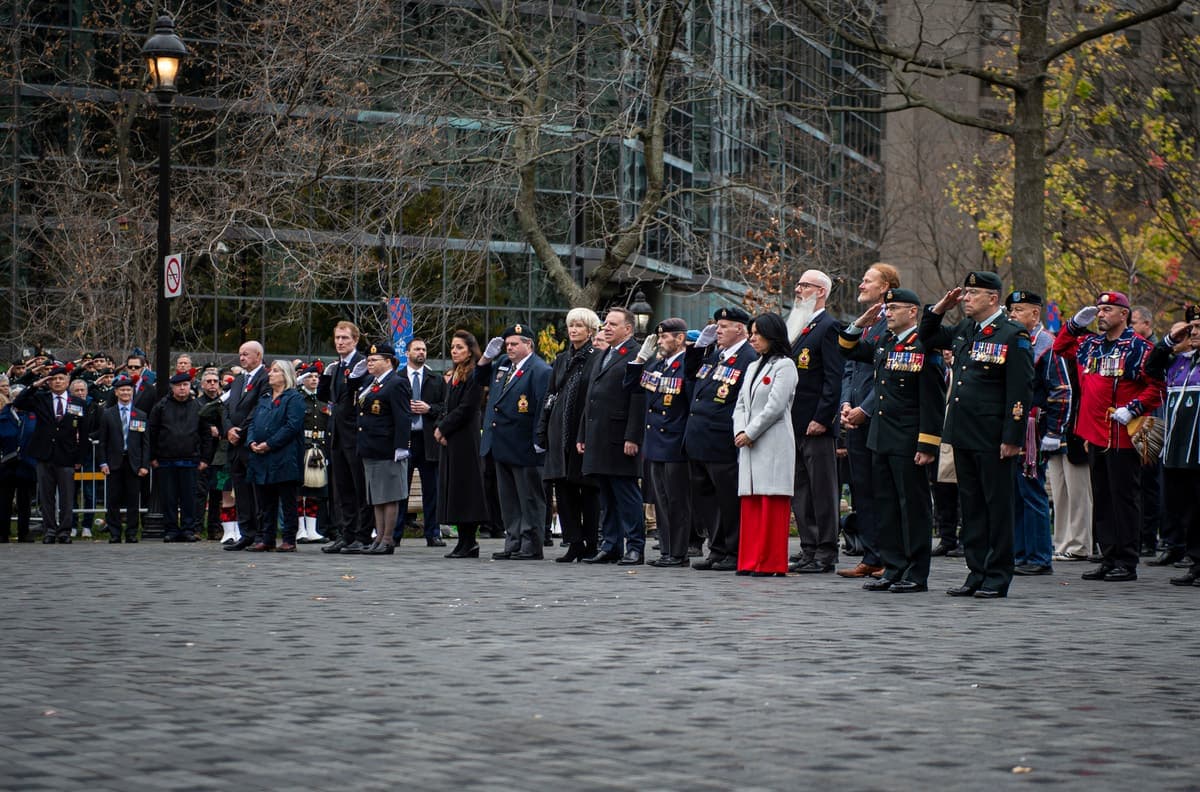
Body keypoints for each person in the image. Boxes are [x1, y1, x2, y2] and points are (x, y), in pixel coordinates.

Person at [919, 271, 1034, 598]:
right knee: (971, 508)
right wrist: (939, 307)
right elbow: (927, 337)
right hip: (963, 434)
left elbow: (1020, 391)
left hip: (994, 437)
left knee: (996, 508)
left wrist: (1012, 436)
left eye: (972, 293)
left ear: (992, 298)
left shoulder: (1013, 335)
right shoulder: (967, 329)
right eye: (965, 293)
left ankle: (997, 576)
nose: (965, 298)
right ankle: (976, 572)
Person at [1054, 291, 1164, 582]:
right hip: (1094, 433)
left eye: (1107, 310)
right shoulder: (1089, 344)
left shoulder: (1138, 347)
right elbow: (1060, 346)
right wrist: (1075, 324)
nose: (1101, 314)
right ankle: (1108, 555)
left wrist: (1134, 408)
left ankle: (1126, 560)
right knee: (1101, 497)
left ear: (1123, 314)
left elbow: (1156, 387)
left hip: (1124, 433)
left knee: (1124, 498)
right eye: (1099, 310)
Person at [841, 289, 946, 592]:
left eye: (895, 308)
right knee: (885, 507)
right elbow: (848, 349)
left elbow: (932, 399)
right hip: (881, 437)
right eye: (886, 308)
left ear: (913, 312)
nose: (888, 313)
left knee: (912, 508)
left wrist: (927, 444)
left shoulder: (924, 345)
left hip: (909, 439)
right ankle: (894, 567)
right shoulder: (885, 341)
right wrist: (859, 323)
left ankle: (915, 572)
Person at [837, 263, 899, 577]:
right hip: (856, 418)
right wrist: (846, 405)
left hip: (878, 418)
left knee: (881, 490)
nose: (861, 285)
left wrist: (866, 409)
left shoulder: (891, 321)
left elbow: (888, 374)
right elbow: (850, 369)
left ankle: (888, 556)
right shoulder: (865, 323)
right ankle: (872, 555)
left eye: (867, 280)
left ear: (886, 286)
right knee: (862, 489)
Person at [686, 306, 759, 571]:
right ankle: (717, 549)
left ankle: (733, 550)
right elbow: (692, 379)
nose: (718, 330)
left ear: (740, 328)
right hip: (700, 437)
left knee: (727, 499)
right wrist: (697, 349)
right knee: (707, 499)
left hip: (722, 438)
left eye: (724, 326)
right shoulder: (716, 355)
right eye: (717, 326)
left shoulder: (748, 357)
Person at [1006, 291, 1070, 576]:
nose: (1013, 315)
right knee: (1016, 492)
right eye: (1011, 310)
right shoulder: (1016, 341)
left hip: (1036, 426)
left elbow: (1061, 390)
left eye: (1019, 310)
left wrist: (1055, 431)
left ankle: (1040, 556)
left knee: (1032, 490)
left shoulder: (1047, 345)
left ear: (1035, 314)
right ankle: (1021, 553)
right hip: (1016, 425)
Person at [785, 269, 844, 574]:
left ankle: (825, 550)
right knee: (801, 489)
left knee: (822, 489)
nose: (798, 290)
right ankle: (808, 548)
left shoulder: (829, 327)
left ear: (821, 292)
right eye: (798, 284)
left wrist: (823, 417)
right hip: (793, 422)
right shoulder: (796, 326)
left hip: (815, 424)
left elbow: (833, 380)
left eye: (805, 286)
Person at [578, 308, 647, 565]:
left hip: (621, 437)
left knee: (626, 493)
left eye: (612, 324)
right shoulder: (603, 354)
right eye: (605, 323)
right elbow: (591, 397)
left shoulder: (637, 354)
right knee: (606, 494)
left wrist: (633, 437)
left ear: (627, 329)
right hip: (599, 435)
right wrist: (583, 433)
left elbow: (639, 398)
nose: (606, 328)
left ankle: (635, 547)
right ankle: (611, 544)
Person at [732, 313, 798, 576]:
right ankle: (749, 560)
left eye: (758, 333)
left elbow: (775, 406)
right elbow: (740, 403)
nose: (753, 338)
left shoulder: (785, 366)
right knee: (752, 502)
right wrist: (740, 430)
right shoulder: (752, 366)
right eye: (752, 332)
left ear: (773, 335)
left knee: (771, 502)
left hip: (772, 441)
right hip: (748, 442)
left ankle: (770, 562)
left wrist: (751, 431)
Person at [479, 324, 552, 560]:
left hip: (525, 445)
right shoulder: (502, 366)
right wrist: (485, 358)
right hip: (502, 443)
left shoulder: (539, 370)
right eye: (507, 344)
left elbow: (542, 407)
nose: (509, 348)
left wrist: (539, 439)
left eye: (514, 344)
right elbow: (479, 381)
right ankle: (514, 541)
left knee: (529, 498)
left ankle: (531, 544)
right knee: (509, 499)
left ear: (528, 345)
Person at [625, 318, 692, 568]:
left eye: (665, 337)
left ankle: (678, 553)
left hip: (674, 441)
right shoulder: (658, 364)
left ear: (680, 338)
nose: (660, 341)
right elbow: (631, 387)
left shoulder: (686, 364)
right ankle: (666, 550)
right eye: (659, 337)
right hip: (655, 442)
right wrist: (640, 359)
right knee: (661, 501)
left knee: (676, 502)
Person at [536, 308, 601, 563]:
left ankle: (592, 542)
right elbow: (551, 395)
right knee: (563, 491)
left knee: (587, 490)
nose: (573, 330)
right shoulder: (561, 359)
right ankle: (574, 542)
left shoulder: (596, 358)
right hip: (558, 432)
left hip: (581, 432)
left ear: (590, 330)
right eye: (571, 325)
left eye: (579, 326)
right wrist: (542, 430)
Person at [1144, 313, 1200, 586]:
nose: (1194, 333)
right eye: (1192, 329)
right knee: (1186, 510)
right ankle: (1195, 564)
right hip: (1178, 451)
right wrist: (1169, 339)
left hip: (1199, 450)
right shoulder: (1179, 363)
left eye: (1199, 328)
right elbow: (1150, 368)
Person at [14, 364, 91, 543]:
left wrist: (80, 458)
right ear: (49, 382)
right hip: (44, 455)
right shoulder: (41, 399)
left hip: (67, 456)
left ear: (67, 381)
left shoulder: (77, 402)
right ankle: (49, 530)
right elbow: (19, 402)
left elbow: (84, 431)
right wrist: (35, 385)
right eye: (53, 379)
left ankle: (64, 531)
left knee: (67, 496)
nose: (57, 382)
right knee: (46, 497)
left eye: (61, 378)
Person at [352, 340, 412, 555]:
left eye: (374, 360)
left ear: (388, 361)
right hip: (371, 446)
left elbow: (403, 416)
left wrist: (402, 446)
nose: (369, 363)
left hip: (388, 447)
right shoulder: (372, 382)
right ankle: (378, 537)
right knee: (376, 496)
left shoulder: (397, 382)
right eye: (368, 359)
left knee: (390, 495)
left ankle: (388, 539)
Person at [318, 322, 373, 554]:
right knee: (343, 490)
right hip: (338, 436)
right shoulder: (337, 366)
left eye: (345, 338)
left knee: (360, 487)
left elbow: (363, 397)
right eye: (337, 338)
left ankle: (363, 534)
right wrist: (323, 377)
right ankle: (346, 533)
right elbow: (326, 397)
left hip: (355, 435)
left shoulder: (362, 363)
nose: (340, 342)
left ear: (355, 340)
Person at [437, 331, 491, 558]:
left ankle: (470, 541)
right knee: (455, 490)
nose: (454, 351)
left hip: (466, 439)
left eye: (459, 347)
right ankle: (462, 541)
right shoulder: (456, 373)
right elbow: (448, 405)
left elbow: (467, 408)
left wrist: (443, 427)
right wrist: (441, 425)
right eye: (452, 347)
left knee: (467, 490)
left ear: (470, 349)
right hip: (453, 439)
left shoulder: (474, 375)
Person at [149, 373, 218, 543]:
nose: (182, 388)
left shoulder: (197, 407)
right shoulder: (161, 407)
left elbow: (206, 435)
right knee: (169, 497)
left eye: (185, 385)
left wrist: (205, 459)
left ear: (190, 386)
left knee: (190, 497)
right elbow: (152, 432)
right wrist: (152, 457)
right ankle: (171, 529)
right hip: (166, 460)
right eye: (178, 385)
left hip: (190, 460)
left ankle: (189, 529)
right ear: (172, 387)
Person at [246, 360, 306, 552]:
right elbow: (254, 423)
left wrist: (270, 444)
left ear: (286, 375)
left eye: (275, 371)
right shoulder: (264, 398)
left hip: (284, 456)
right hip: (261, 458)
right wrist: (251, 441)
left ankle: (289, 539)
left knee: (287, 500)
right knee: (265, 501)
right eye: (271, 371)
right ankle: (267, 537)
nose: (270, 374)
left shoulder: (294, 398)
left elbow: (292, 426)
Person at [397, 338, 446, 547]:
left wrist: (429, 409)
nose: (421, 352)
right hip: (405, 439)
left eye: (424, 349)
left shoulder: (435, 379)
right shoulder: (397, 379)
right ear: (407, 353)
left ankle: (433, 532)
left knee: (431, 489)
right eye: (417, 349)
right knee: (401, 489)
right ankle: (395, 533)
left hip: (428, 439)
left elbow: (445, 407)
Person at [223, 341, 271, 551]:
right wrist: (228, 429)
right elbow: (225, 407)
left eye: (245, 354)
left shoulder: (265, 378)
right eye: (240, 354)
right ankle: (246, 533)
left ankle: (261, 533)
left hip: (251, 443)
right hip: (235, 446)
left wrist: (240, 432)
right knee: (241, 491)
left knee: (257, 492)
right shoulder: (238, 380)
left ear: (258, 356)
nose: (241, 358)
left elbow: (259, 409)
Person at [96, 374, 150, 543]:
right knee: (113, 499)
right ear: (117, 392)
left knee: (133, 499)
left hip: (133, 462)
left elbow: (145, 443)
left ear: (132, 392)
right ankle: (114, 532)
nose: (126, 393)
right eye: (122, 390)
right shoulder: (107, 414)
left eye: (129, 390)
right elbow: (102, 441)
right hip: (114, 462)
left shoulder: (140, 414)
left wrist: (144, 464)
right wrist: (103, 462)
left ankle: (132, 532)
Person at [295, 362, 329, 543]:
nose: (314, 379)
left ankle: (312, 529)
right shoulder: (298, 399)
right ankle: (301, 529)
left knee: (315, 490)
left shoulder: (322, 400)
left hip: (319, 448)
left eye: (316, 377)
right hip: (304, 446)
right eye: (310, 376)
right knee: (301, 490)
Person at [0, 378, 37, 542]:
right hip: (6, 464)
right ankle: (3, 533)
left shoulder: (32, 416)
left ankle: (24, 532)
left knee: (25, 502)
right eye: (14, 396)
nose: (17, 399)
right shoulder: (3, 416)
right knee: (4, 502)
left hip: (27, 464)